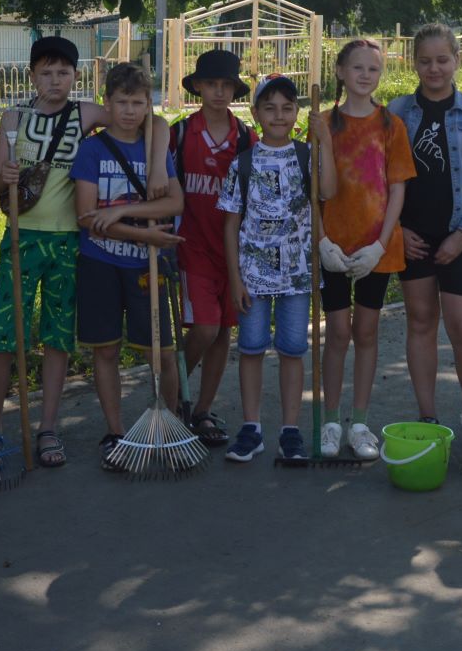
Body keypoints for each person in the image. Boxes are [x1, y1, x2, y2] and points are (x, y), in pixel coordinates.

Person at [0, 36, 107, 468]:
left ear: (77, 75)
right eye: (47, 72)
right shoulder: (14, 117)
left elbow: (138, 118)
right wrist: (5, 176)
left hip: (69, 241)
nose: (56, 81)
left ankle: (48, 427)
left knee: (57, 337)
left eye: (64, 72)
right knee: (4, 335)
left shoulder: (85, 113)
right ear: (32, 75)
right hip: (21, 239)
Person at [219, 74, 337, 463]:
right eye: (269, 108)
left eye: (287, 107)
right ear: (255, 114)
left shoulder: (307, 156)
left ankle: (291, 430)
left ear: (297, 113)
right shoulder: (244, 163)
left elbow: (328, 192)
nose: (279, 115)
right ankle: (252, 428)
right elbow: (231, 222)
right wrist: (235, 277)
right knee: (251, 349)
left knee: (292, 350)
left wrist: (327, 143)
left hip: (297, 277)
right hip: (252, 276)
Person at [71, 61, 181, 470]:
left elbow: (175, 202)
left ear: (148, 104)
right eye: (122, 102)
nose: (131, 111)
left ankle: (169, 424)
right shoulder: (93, 149)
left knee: (162, 352)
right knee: (106, 349)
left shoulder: (155, 146)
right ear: (107, 103)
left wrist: (121, 213)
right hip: (99, 263)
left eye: (138, 102)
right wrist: (143, 233)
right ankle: (115, 431)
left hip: (144, 268)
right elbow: (85, 215)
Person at [393, 23, 462, 423]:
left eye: (442, 60)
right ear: (414, 62)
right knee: (421, 323)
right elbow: (380, 178)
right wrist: (396, 231)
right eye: (425, 61)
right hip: (412, 239)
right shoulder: (398, 111)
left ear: (456, 60)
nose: (434, 69)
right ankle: (428, 418)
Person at [317, 39, 414, 459]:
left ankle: (359, 421)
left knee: (367, 331)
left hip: (376, 248)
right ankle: (331, 420)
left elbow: (396, 190)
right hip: (333, 246)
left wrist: (379, 244)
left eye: (372, 69)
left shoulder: (391, 126)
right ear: (340, 71)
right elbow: (312, 192)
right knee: (337, 332)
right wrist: (320, 240)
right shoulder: (322, 123)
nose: (364, 75)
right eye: (356, 67)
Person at [169, 49, 253, 448]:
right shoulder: (180, 133)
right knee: (205, 327)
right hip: (193, 249)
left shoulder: (246, 137)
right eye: (211, 84)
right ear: (197, 86)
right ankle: (173, 400)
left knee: (223, 333)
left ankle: (201, 409)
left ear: (235, 90)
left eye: (226, 85)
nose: (219, 92)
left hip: (234, 255)